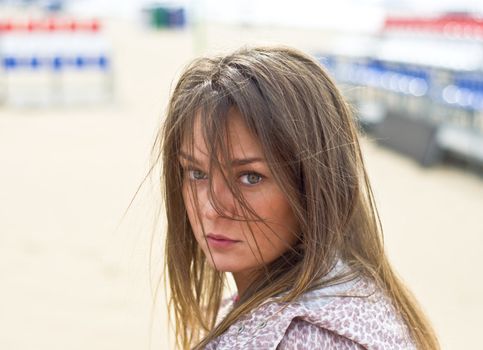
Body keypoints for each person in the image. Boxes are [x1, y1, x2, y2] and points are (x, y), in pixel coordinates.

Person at [156, 46, 439, 349]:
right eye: (196, 173)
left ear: (316, 186)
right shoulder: (354, 290)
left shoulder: (303, 337)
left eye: (251, 177)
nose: (210, 208)